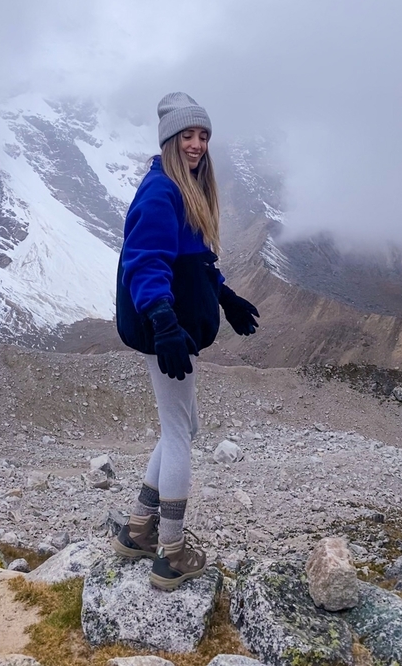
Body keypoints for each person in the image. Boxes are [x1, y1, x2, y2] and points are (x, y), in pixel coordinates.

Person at [112, 91, 260, 590]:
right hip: (165, 330)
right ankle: (170, 552)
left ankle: (138, 528)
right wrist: (164, 323)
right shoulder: (161, 193)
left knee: (185, 426)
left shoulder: (186, 187)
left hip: (171, 326)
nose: (197, 145)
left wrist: (226, 297)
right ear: (169, 140)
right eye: (188, 136)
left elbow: (193, 264)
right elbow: (145, 263)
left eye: (203, 136)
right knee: (179, 433)